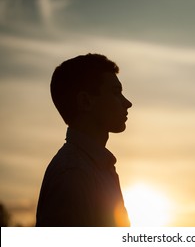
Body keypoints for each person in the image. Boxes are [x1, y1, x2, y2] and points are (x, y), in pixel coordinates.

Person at [36, 53, 132, 226]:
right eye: (116, 92)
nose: (127, 103)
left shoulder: (97, 167)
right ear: (86, 102)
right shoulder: (73, 173)